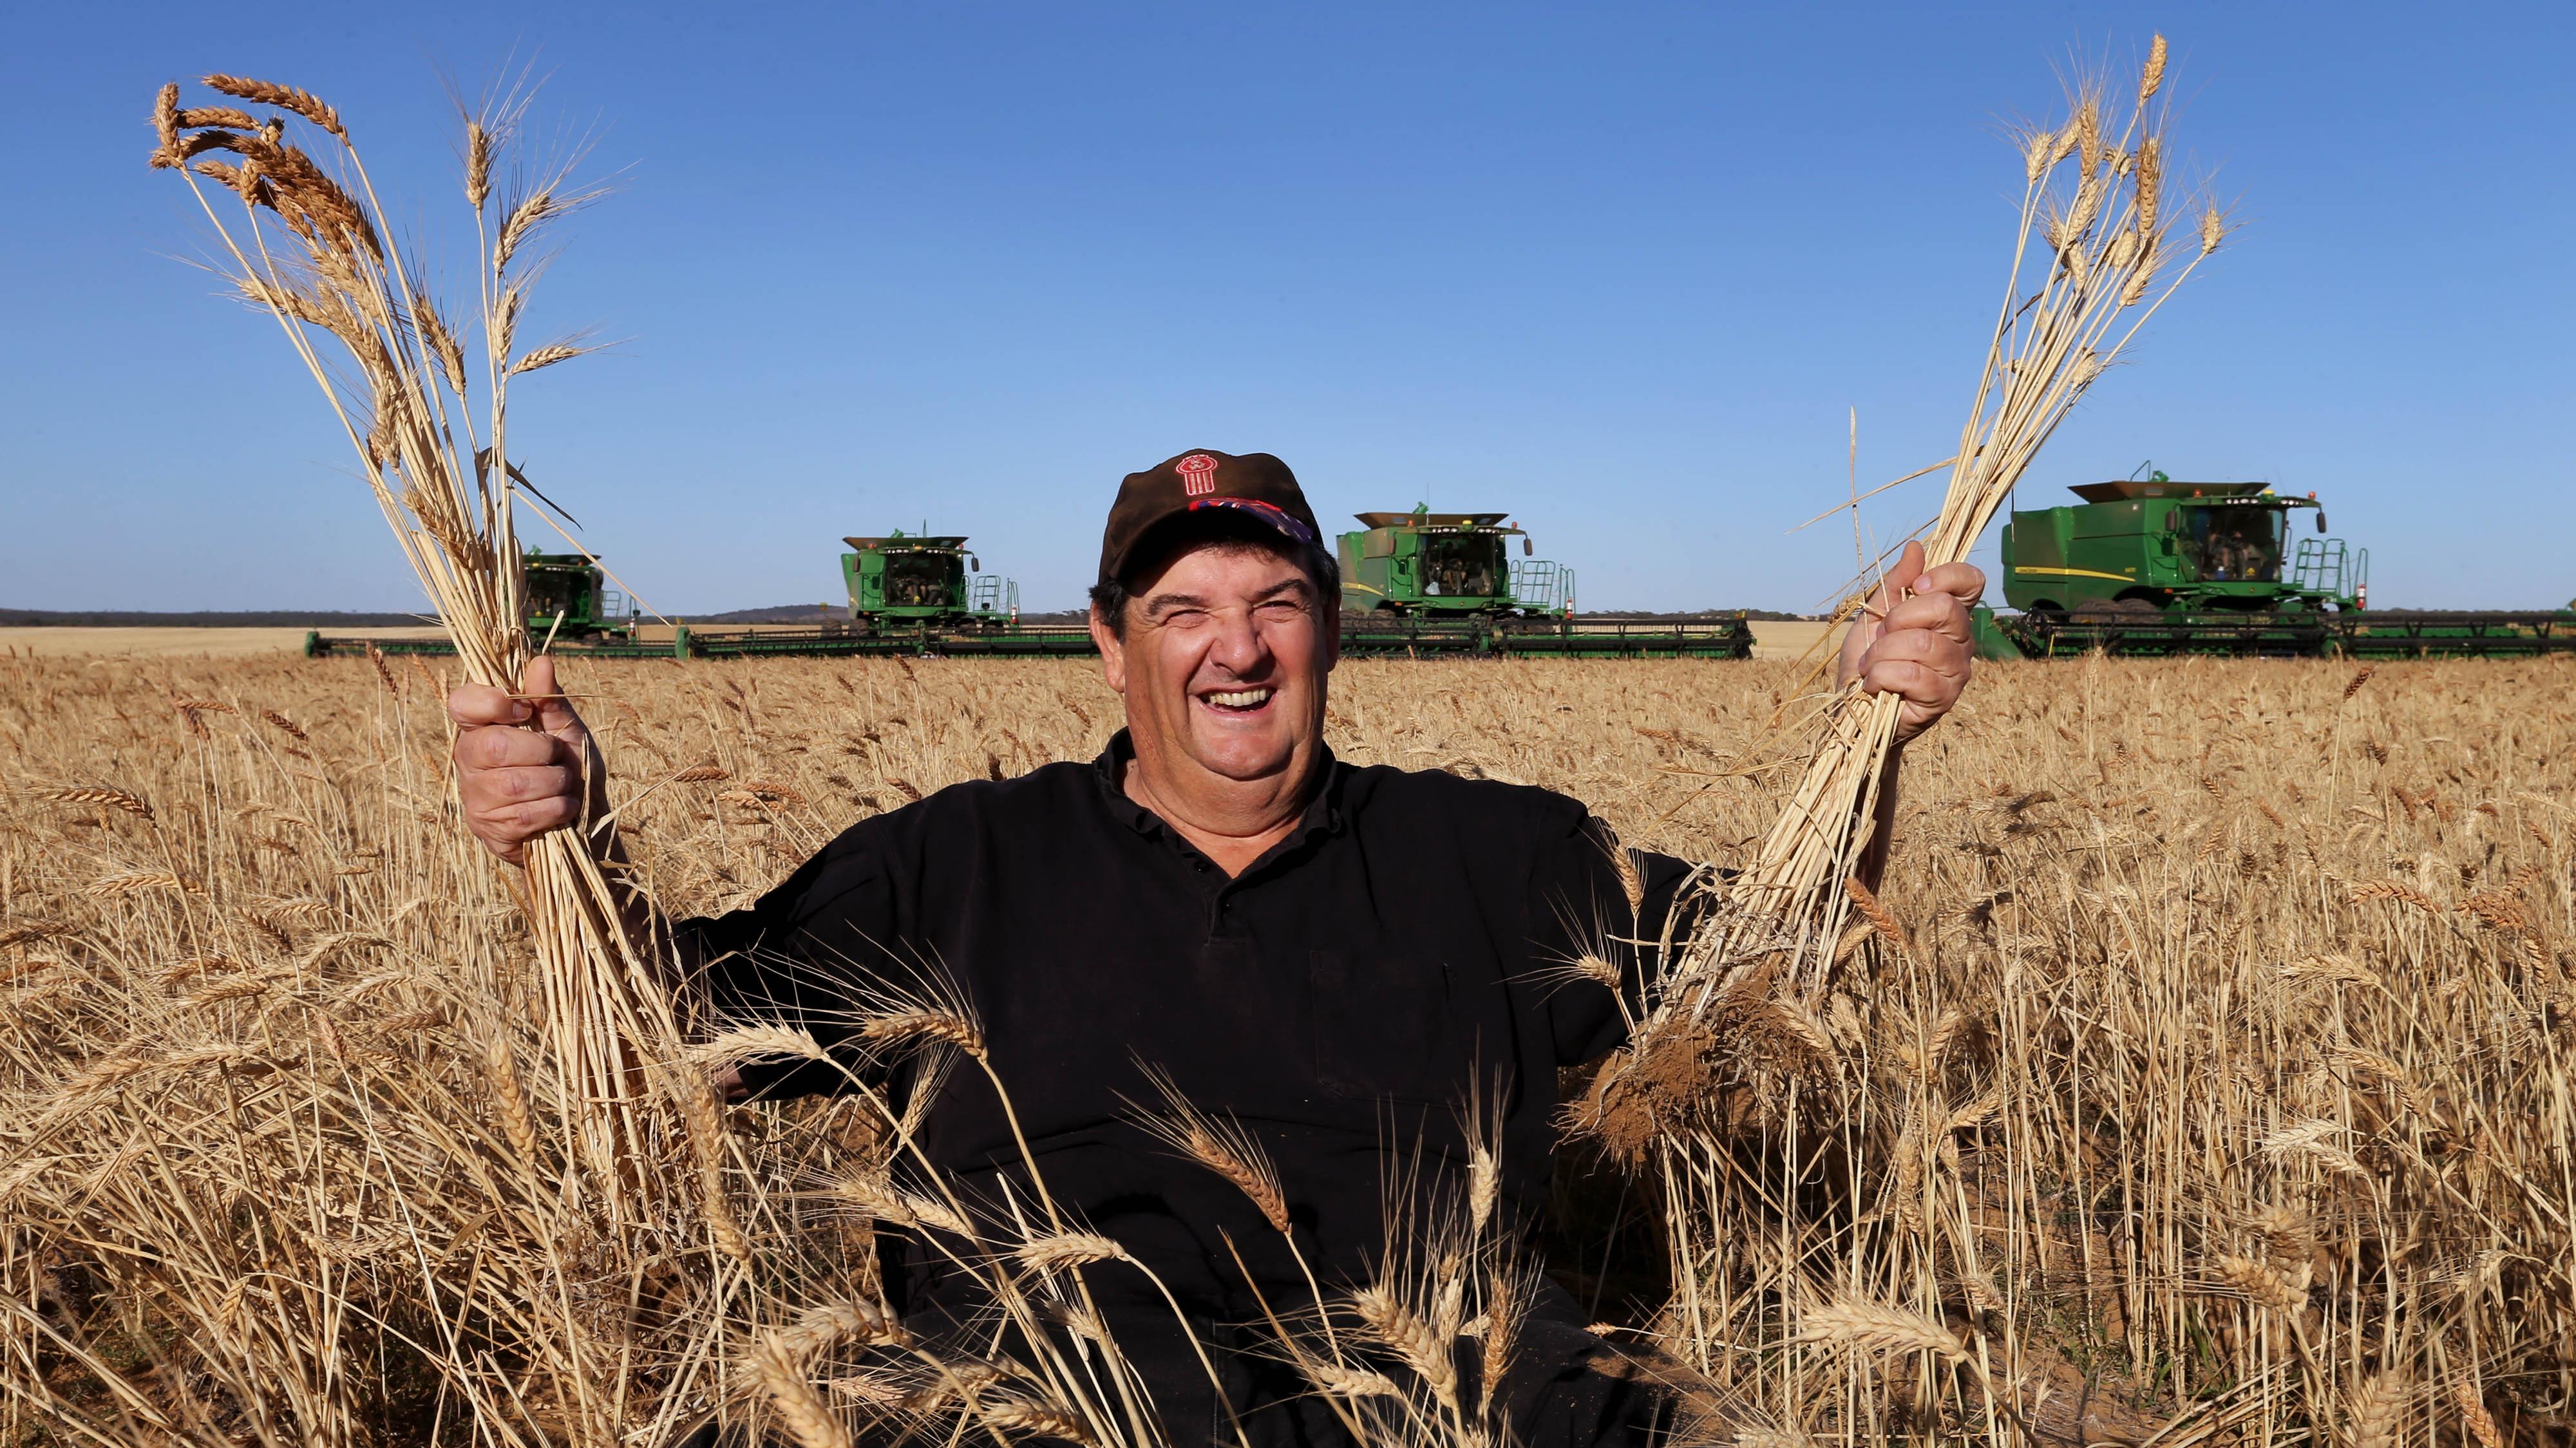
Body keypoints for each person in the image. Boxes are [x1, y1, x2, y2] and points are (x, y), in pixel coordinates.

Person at [449, 449, 1983, 1446]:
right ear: (1110, 645)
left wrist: (1871, 735)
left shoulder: (1496, 856)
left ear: (1332, 631)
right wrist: (570, 847)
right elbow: (686, 1025)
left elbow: (1773, 963)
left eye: (1275, 603)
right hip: (1036, 1406)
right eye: (1181, 609)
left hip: (1439, 1400)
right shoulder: (955, 864)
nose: (1234, 649)